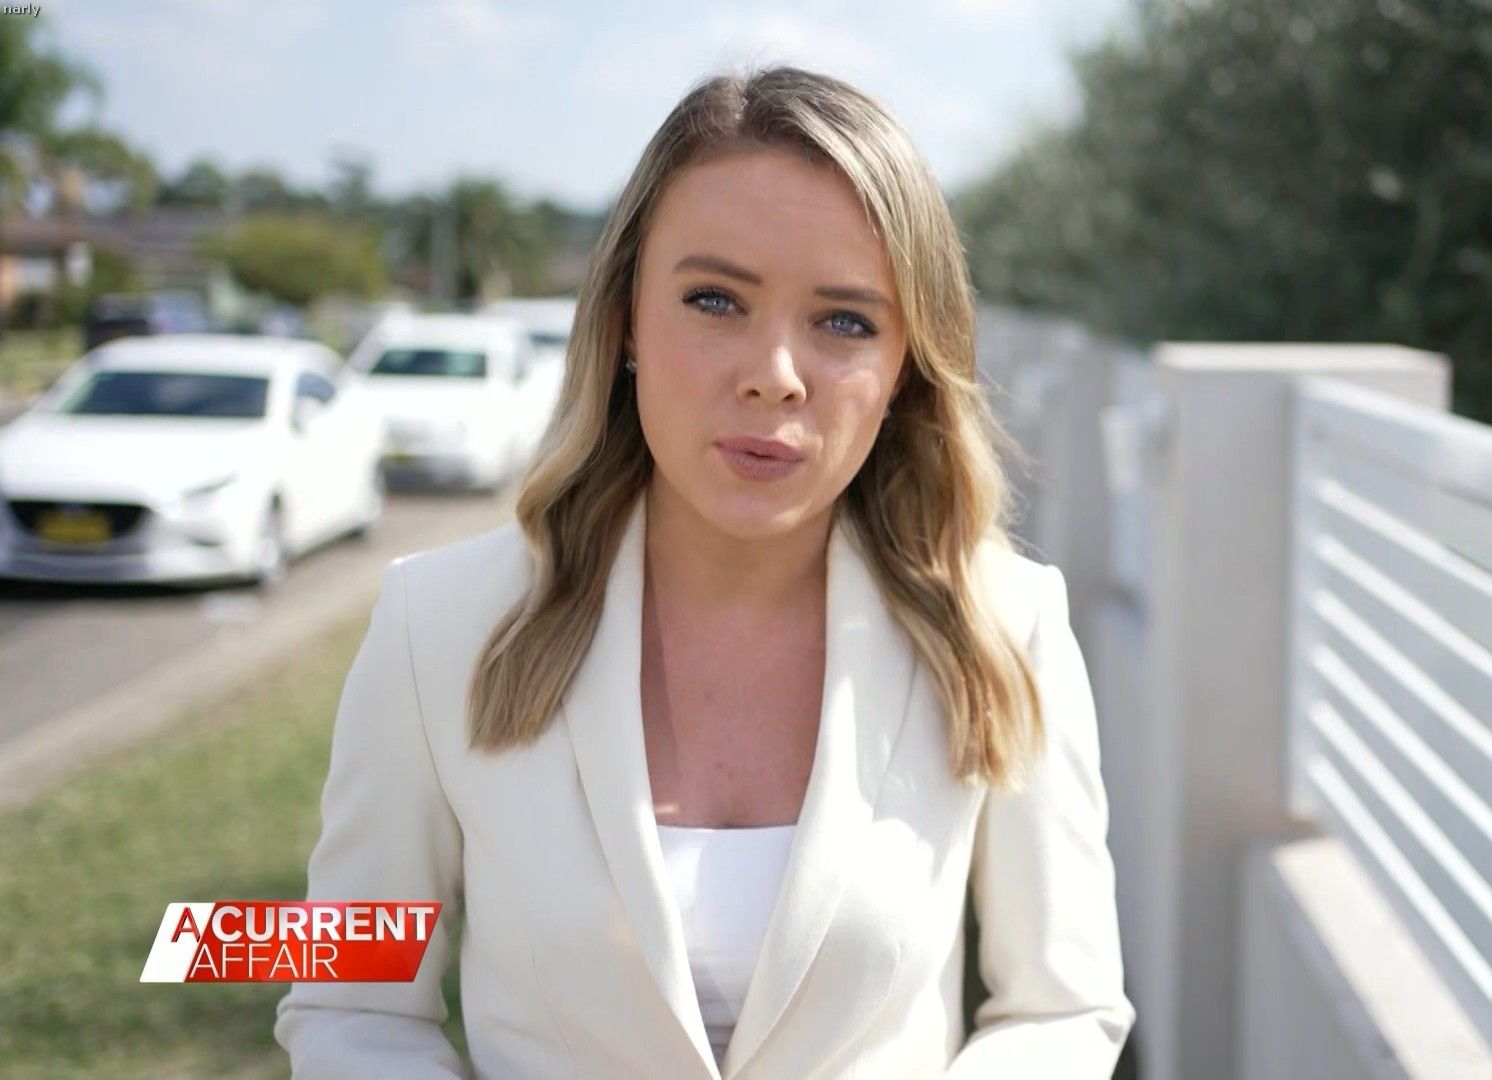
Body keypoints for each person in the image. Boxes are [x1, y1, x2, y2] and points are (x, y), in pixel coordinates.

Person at [274, 64, 1134, 1079]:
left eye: (845, 320)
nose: (773, 374)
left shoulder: (1008, 624)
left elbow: (1064, 1009)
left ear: (905, 365)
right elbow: (347, 1005)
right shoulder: (434, 624)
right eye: (716, 300)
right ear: (627, 320)